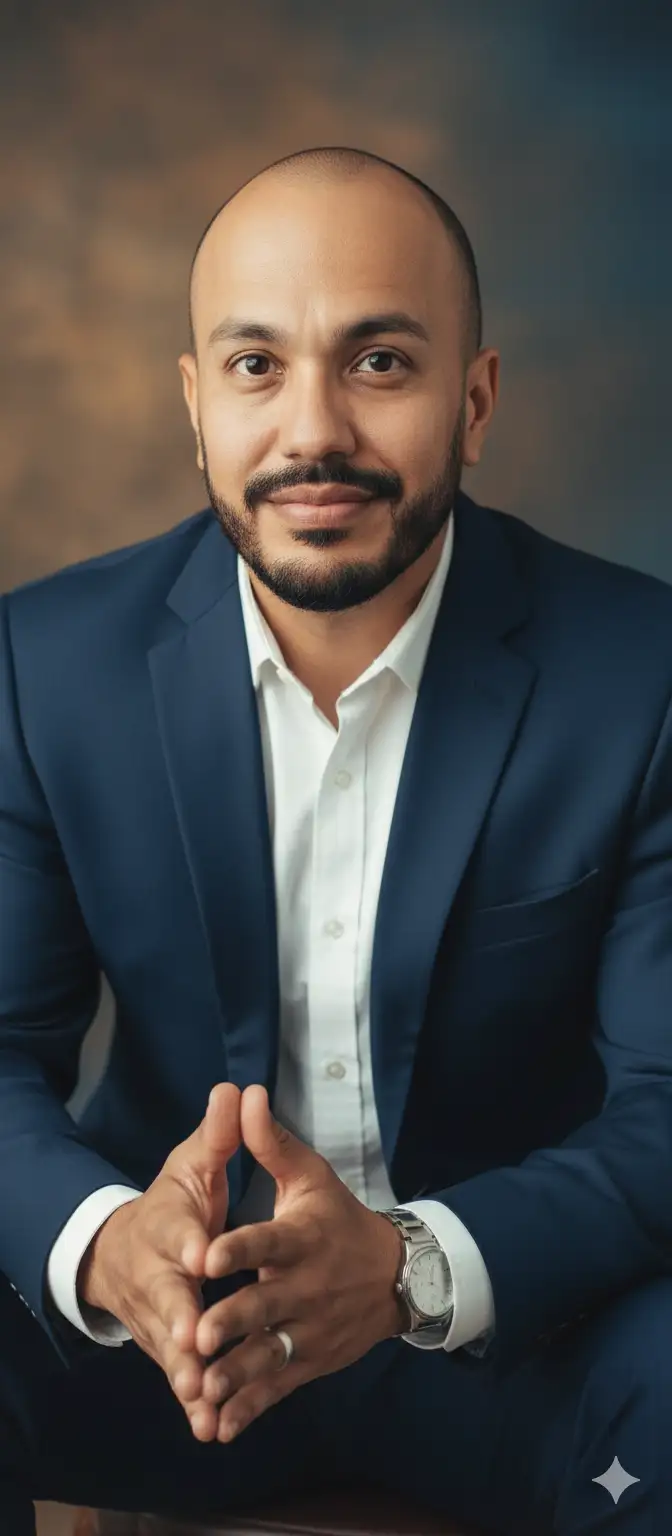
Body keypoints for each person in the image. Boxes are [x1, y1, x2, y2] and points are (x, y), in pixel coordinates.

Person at [1, 145, 671, 1536]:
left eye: (378, 363)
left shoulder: (644, 673)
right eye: (256, 366)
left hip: (521, 1342)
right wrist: (105, 1241)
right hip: (157, 1339)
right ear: (196, 404)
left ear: (474, 400)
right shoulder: (40, 665)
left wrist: (417, 1267)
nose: (314, 432)